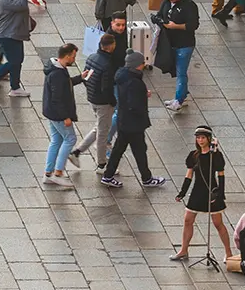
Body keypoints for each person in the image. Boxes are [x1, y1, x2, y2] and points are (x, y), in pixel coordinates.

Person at [102, 51, 164, 188]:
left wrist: (142, 93)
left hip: (124, 121)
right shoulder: (135, 82)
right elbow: (134, 103)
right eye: (142, 63)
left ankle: (108, 175)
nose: (144, 65)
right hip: (133, 123)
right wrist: (142, 101)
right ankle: (146, 179)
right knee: (140, 150)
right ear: (137, 65)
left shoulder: (123, 76)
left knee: (119, 149)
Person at [169, 126, 230, 260]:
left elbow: (221, 175)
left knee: (218, 223)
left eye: (203, 138)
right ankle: (184, 250)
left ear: (209, 139)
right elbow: (189, 175)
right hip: (197, 191)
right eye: (198, 138)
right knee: (188, 220)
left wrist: (221, 194)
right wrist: (183, 192)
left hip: (211, 192)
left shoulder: (216, 155)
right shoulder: (193, 155)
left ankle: (228, 253)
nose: (200, 140)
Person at [74, 31, 120, 165]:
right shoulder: (108, 65)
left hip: (92, 98)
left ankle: (77, 151)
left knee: (99, 127)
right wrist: (112, 101)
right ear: (111, 46)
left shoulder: (92, 57)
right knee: (103, 135)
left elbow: (85, 77)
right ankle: (102, 163)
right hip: (103, 102)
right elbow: (107, 87)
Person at [39, 44, 82, 186]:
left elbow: (66, 84)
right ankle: (58, 172)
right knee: (70, 139)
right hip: (57, 114)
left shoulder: (57, 69)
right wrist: (65, 117)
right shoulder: (58, 74)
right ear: (67, 55)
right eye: (73, 56)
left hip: (50, 112)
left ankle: (48, 173)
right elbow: (57, 98)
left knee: (56, 140)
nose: (74, 59)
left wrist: (81, 78)